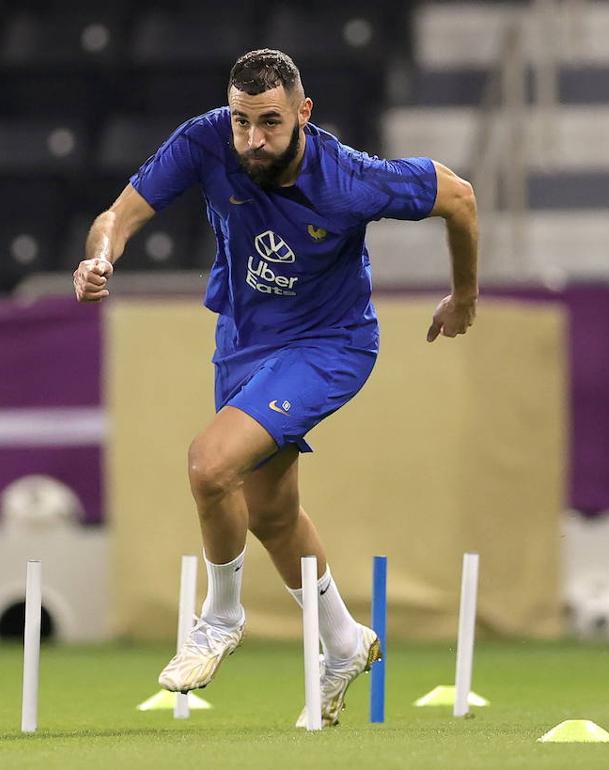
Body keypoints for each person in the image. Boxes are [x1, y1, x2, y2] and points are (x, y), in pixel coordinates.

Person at [72, 48, 479, 726]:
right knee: (270, 513)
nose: (252, 139)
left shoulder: (348, 178)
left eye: (269, 123)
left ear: (302, 113)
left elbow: (459, 197)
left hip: (329, 344)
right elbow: (121, 215)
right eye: (242, 122)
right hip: (244, 341)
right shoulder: (206, 140)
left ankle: (219, 618)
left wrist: (463, 296)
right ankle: (344, 642)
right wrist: (98, 257)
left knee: (209, 465)